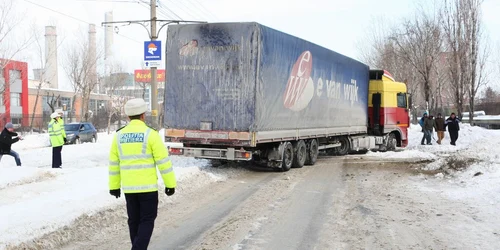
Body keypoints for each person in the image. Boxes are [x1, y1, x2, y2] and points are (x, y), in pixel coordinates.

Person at [108, 98, 176, 250]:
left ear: (128, 116)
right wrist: (170, 184)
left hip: (129, 189)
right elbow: (163, 162)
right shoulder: (150, 134)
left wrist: (114, 186)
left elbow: (114, 164)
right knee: (147, 220)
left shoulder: (118, 136)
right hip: (148, 189)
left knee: (134, 221)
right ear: (143, 115)